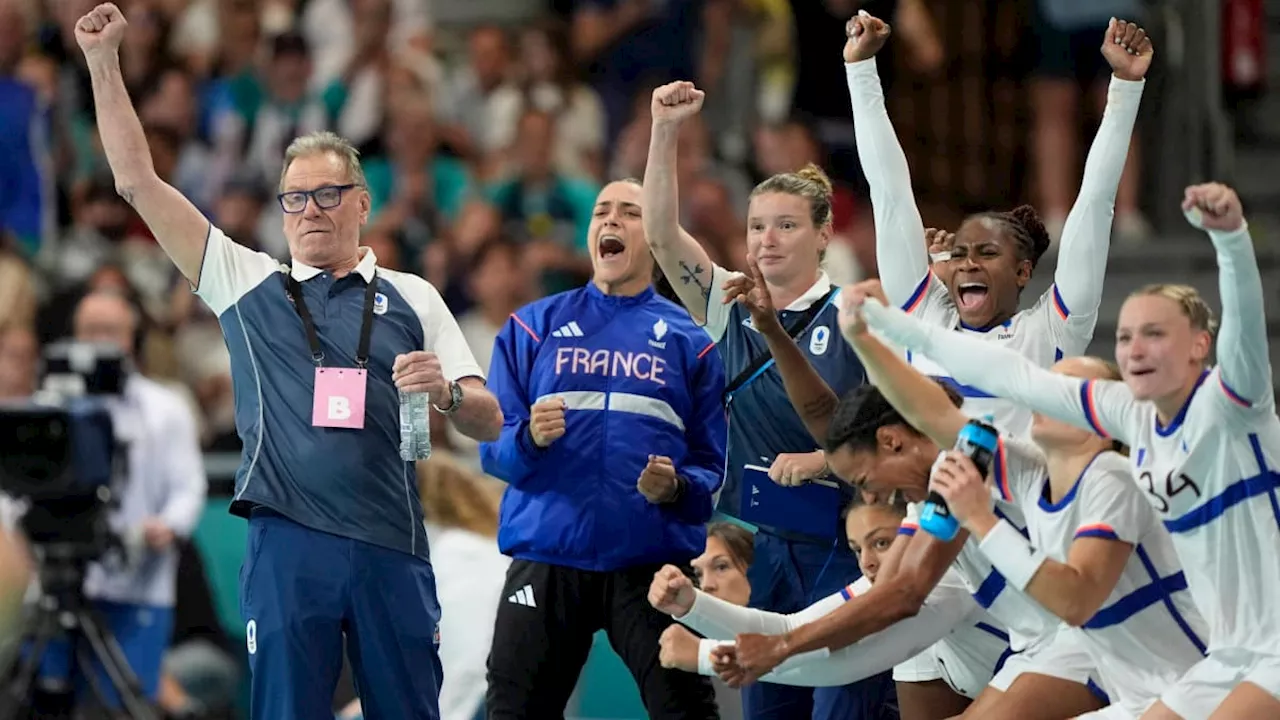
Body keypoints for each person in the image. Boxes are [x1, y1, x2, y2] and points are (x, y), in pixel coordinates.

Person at [74, 5, 504, 718]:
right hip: (287, 544)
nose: (310, 210)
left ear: (363, 203)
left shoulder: (413, 296)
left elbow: (488, 422)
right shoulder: (245, 283)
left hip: (391, 543)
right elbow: (136, 182)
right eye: (295, 198)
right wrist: (101, 61)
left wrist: (450, 398)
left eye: (328, 194)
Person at [857, 183, 1280, 719]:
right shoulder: (1130, 416)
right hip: (1210, 658)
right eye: (1124, 338)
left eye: (1153, 333)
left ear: (1200, 344)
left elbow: (1242, 330)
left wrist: (1232, 241)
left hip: (1258, 650)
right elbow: (995, 381)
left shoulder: (1233, 403)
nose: (1133, 348)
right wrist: (882, 331)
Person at [818, 282, 1207, 718]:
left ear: (1103, 420)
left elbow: (1074, 601)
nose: (1041, 396)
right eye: (1045, 387)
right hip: (1132, 686)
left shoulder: (1114, 478)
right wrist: (867, 337)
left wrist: (982, 520)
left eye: (1064, 394)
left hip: (1192, 683)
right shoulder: (1029, 473)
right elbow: (936, 414)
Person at [643, 80, 895, 720]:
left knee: (845, 711)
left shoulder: (856, 315)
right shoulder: (727, 305)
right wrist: (664, 130)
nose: (768, 239)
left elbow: (893, 435)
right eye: (757, 226)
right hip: (766, 548)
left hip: (848, 546)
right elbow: (663, 237)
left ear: (822, 233)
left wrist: (821, 460)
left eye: (786, 225)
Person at [479, 178, 725, 720]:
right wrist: (528, 438)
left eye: (631, 213)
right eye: (601, 212)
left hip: (649, 563)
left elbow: (713, 469)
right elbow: (492, 449)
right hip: (548, 557)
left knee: (687, 712)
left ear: (657, 239)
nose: (611, 222)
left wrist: (678, 488)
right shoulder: (530, 327)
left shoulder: (693, 342)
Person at [844, 10, 1151, 435]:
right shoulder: (924, 314)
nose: (968, 263)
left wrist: (1124, 86)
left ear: (1023, 272)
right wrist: (860, 69)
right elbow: (890, 193)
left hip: (1020, 498)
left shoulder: (1050, 334)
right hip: (935, 501)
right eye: (961, 253)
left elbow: (1095, 203)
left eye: (987, 253)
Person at [654, 490, 1011, 720]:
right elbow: (791, 629)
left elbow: (840, 667)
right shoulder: (890, 587)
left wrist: (704, 656)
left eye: (882, 543)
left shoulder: (946, 583)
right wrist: (691, 605)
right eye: (857, 549)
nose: (868, 563)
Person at [35, 289, 208, 708]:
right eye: (90, 330)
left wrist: (169, 525)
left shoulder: (166, 407)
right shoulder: (46, 410)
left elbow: (189, 485)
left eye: (110, 330)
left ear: (133, 337)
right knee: (43, 702)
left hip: (138, 583)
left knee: (123, 704)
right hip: (54, 586)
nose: (99, 340)